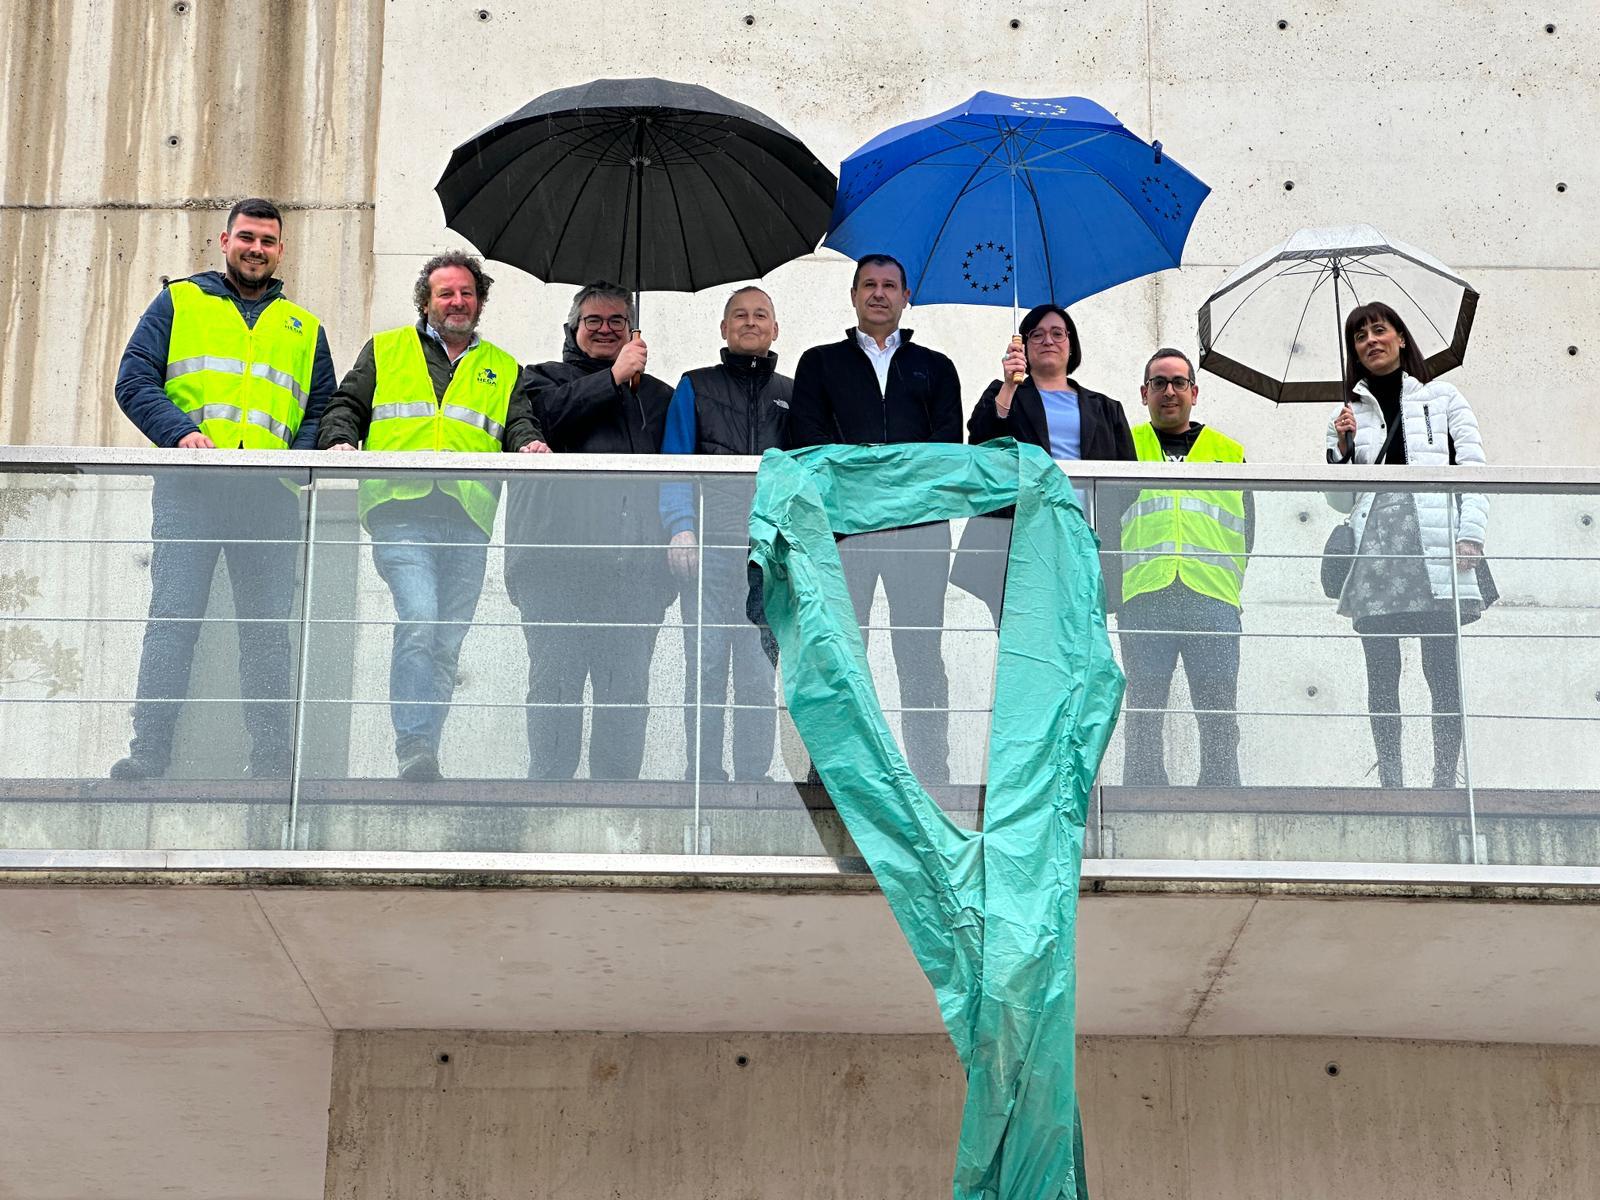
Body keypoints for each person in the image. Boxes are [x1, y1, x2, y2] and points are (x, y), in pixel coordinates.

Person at [110, 197, 335, 781]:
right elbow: (134, 380)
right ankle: (148, 752)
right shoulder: (177, 301)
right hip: (193, 490)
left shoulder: (305, 328)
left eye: (267, 240)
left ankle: (269, 764)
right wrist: (180, 432)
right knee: (173, 622)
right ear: (224, 240)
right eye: (247, 238)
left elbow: (321, 410)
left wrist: (292, 461)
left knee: (266, 634)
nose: (256, 249)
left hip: (269, 496)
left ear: (280, 250)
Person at [318, 252, 547, 781]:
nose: (457, 302)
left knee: (446, 641)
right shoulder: (387, 349)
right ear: (426, 300)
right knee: (420, 619)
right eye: (446, 293)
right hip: (401, 508)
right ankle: (413, 741)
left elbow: (518, 422)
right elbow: (346, 405)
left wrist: (531, 442)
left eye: (467, 293)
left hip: (467, 514)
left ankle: (425, 752)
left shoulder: (502, 365)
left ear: (480, 302)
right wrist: (339, 440)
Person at [786, 254, 962, 784]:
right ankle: (831, 771)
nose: (879, 293)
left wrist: (878, 473)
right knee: (840, 648)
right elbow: (810, 443)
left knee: (921, 652)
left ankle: (932, 771)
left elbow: (946, 448)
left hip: (919, 528)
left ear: (906, 297)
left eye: (890, 285)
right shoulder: (819, 363)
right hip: (843, 530)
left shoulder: (936, 365)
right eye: (869, 285)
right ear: (853, 294)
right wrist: (881, 475)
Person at [505, 282, 675, 780]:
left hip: (635, 574)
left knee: (626, 692)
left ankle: (617, 800)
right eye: (593, 321)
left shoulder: (660, 397)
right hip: (553, 570)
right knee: (553, 687)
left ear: (632, 330)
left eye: (617, 321)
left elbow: (677, 479)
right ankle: (549, 796)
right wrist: (613, 378)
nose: (605, 329)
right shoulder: (537, 379)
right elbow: (544, 423)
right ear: (572, 328)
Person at [1327, 301, 1488, 789]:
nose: (1370, 341)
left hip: (1436, 542)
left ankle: (1445, 779)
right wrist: (1343, 449)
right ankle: (1391, 779)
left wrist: (1472, 535)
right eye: (1360, 336)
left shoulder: (1443, 398)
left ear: (1401, 337)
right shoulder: (1346, 414)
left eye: (1380, 330)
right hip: (1375, 545)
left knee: (1441, 668)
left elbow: (1475, 470)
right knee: (1381, 670)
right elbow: (1340, 500)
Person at [660, 286, 790, 783]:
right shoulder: (695, 386)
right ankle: (704, 774)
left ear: (775, 329)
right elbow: (673, 466)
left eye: (761, 314)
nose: (750, 322)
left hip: (768, 560)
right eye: (740, 315)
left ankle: (754, 778)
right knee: (705, 667)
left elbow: (799, 481)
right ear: (723, 328)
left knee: (759, 676)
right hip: (708, 553)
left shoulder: (792, 394)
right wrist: (680, 528)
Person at [1117, 348, 1253, 787]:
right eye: (1159, 383)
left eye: (1178, 382)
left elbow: (1248, 532)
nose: (1169, 391)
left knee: (1217, 715)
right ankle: (1140, 802)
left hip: (1212, 599)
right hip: (1144, 597)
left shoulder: (1229, 452)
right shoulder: (1122, 447)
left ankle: (1222, 799)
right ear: (1144, 393)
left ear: (1194, 392)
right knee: (1142, 712)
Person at [953, 302, 1136, 622]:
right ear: (1022, 347)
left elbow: (1127, 483)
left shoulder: (1106, 408)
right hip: (1019, 544)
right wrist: (1009, 385)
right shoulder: (1003, 394)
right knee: (1023, 645)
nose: (1047, 340)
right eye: (1036, 335)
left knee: (1079, 645)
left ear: (1072, 343)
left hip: (1082, 540)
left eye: (1057, 333)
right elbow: (981, 448)